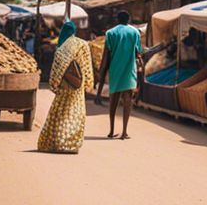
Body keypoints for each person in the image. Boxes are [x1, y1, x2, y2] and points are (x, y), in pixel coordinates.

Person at [37, 20, 93, 153]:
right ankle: (70, 144)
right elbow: (87, 66)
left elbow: (56, 71)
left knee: (61, 114)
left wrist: (54, 85)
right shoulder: (82, 44)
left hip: (64, 85)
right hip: (77, 87)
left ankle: (58, 142)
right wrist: (88, 83)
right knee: (75, 113)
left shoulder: (61, 48)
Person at [96, 10, 143, 140]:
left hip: (115, 70)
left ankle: (111, 131)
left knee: (113, 100)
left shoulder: (110, 33)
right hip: (129, 70)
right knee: (128, 100)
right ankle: (124, 132)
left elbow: (106, 54)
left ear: (117, 19)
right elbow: (138, 52)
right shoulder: (135, 32)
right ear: (129, 19)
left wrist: (101, 71)